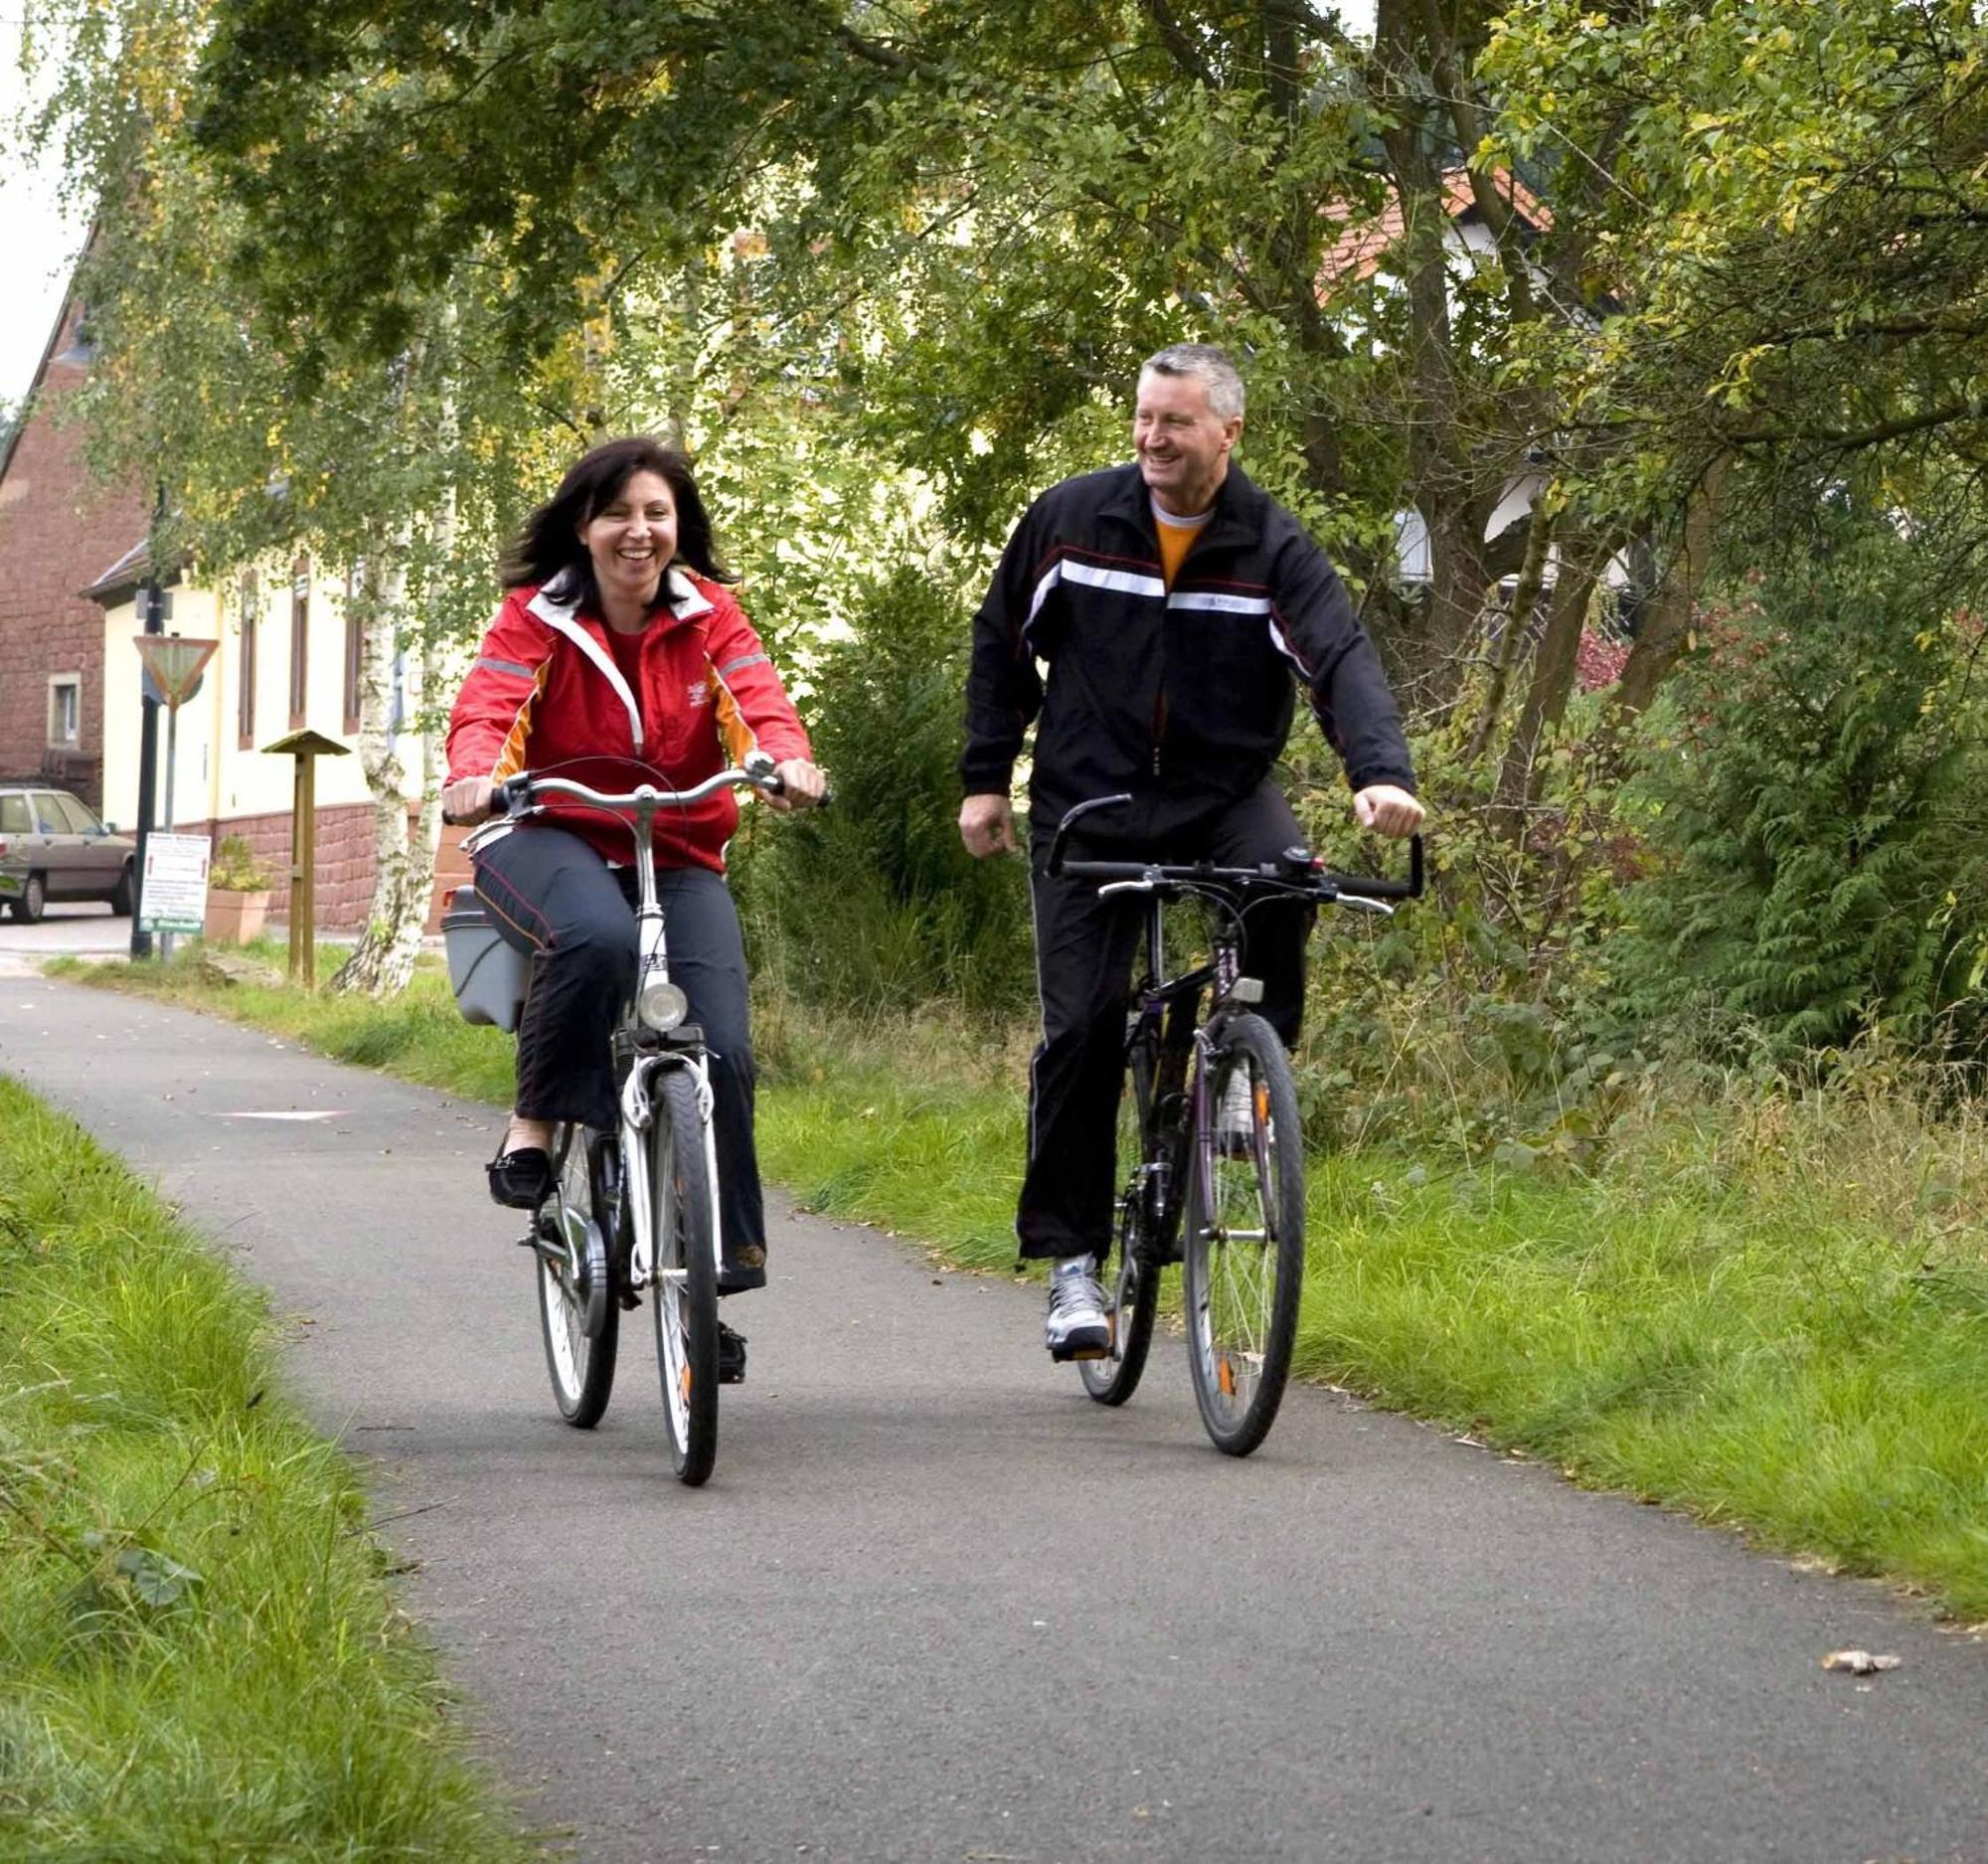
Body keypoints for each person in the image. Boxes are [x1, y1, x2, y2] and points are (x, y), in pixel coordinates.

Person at [958, 344, 1424, 1362]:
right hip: (1089, 804)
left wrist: (1376, 774)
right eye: (1142, 418)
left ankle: (1235, 1092)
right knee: (1082, 1024)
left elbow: (1339, 658)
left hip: (1219, 796)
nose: (1151, 439)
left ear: (1227, 432)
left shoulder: (1270, 547)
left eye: (1174, 422)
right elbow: (1000, 644)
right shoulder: (1072, 520)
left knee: (1286, 884)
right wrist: (986, 778)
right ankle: (1073, 1266)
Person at [443, 436, 825, 1382]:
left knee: (723, 1047)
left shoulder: (709, 616)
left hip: (678, 842)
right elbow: (489, 708)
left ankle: (711, 1281)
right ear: (585, 525)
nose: (638, 532)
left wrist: (787, 761)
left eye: (656, 514)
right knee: (597, 936)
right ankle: (534, 1119)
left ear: (677, 528)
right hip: (544, 831)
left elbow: (758, 702)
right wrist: (474, 778)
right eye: (619, 513)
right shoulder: (537, 617)